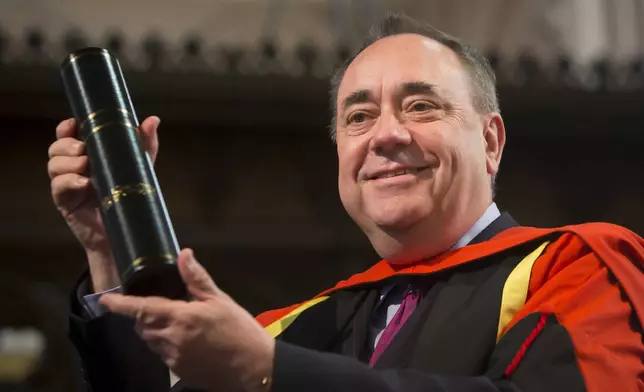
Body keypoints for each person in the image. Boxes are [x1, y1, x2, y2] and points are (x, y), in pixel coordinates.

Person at [47, 13, 644, 392]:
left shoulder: (578, 266)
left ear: (490, 140)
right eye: (359, 116)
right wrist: (108, 243)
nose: (385, 135)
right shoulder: (301, 325)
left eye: (420, 106)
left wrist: (273, 372)